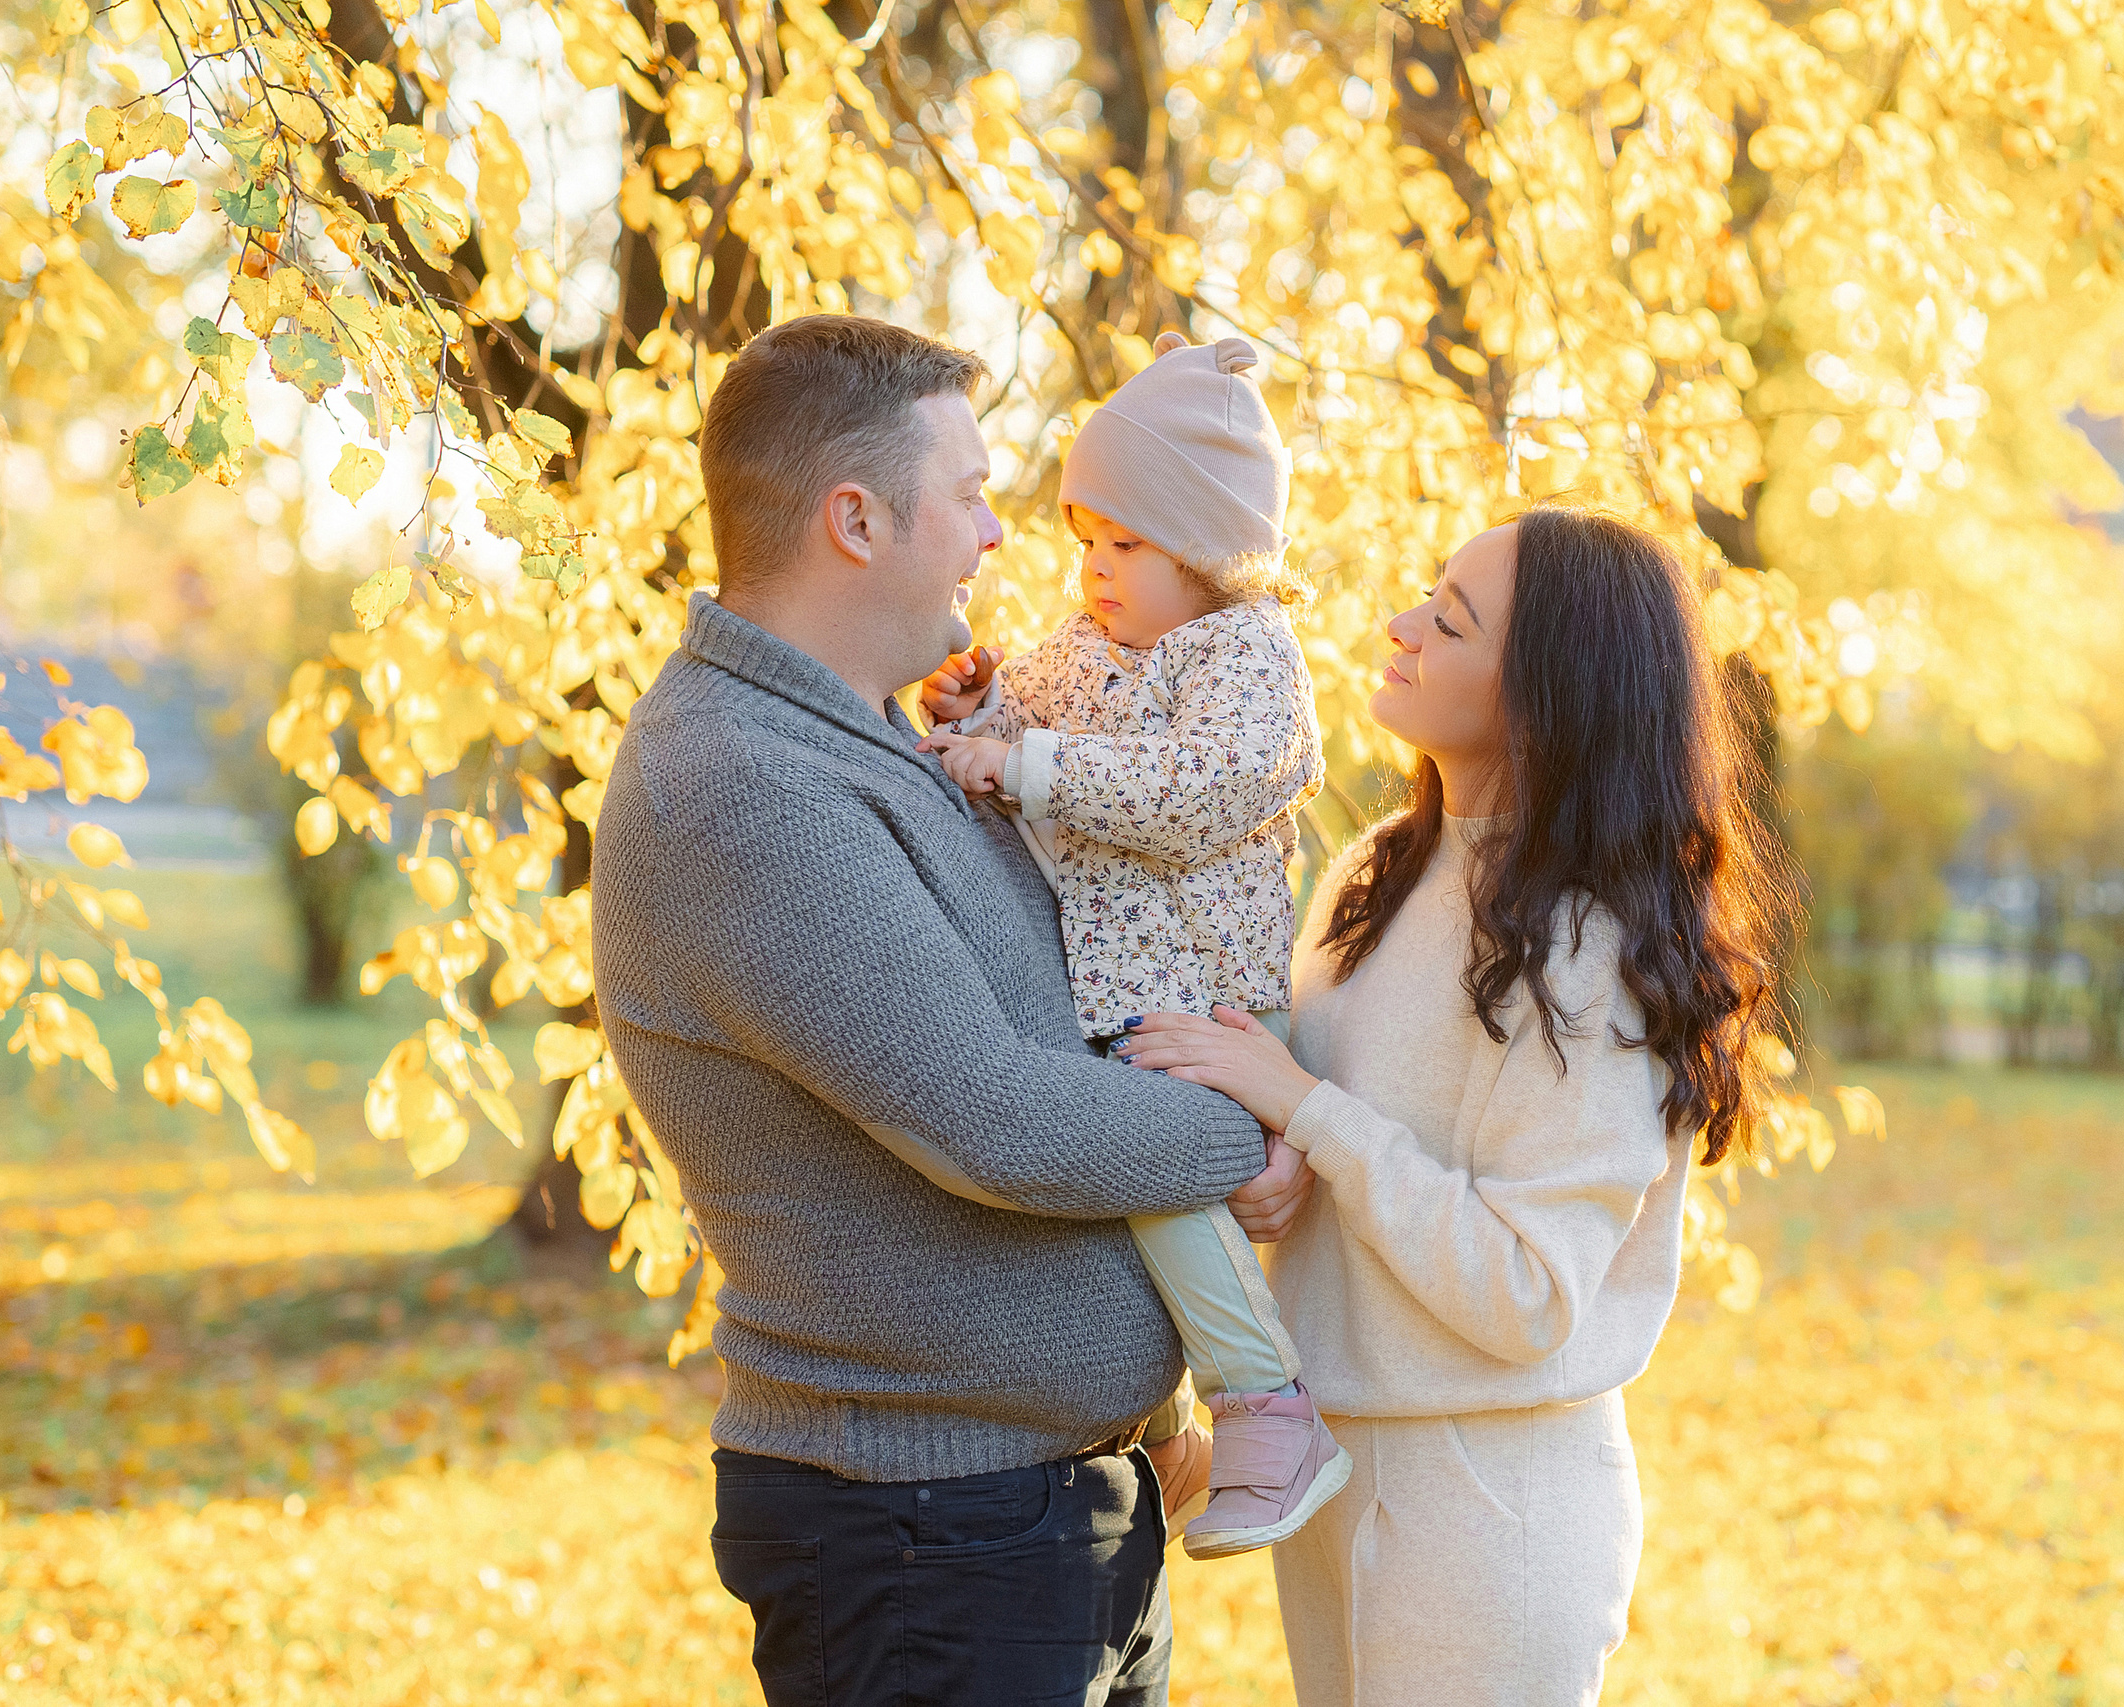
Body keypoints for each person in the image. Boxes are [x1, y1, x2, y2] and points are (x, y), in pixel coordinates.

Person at [588, 314, 1276, 1707]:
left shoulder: (882, 740)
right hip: (929, 1539)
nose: (998, 534)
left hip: (1050, 1513)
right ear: (856, 517)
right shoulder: (738, 784)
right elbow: (999, 1118)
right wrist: (1262, 1124)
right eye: (967, 493)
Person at [1119, 507, 1794, 1707]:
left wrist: (1312, 1115)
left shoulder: (1588, 952)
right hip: (1335, 1469)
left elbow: (1529, 1294)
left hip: (1489, 1506)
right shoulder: (1377, 873)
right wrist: (1277, 1155)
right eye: (1425, 597)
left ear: (1546, 695)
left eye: (1449, 620)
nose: (1400, 627)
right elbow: (1325, 1133)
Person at [912, 331, 1350, 1559]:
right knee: (1111, 1201)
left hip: (1207, 998)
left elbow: (1198, 788)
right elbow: (1017, 734)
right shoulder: (1086, 646)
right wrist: (977, 711)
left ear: (1207, 547)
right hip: (1117, 998)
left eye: (1126, 544)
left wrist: (1025, 763)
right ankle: (1169, 1428)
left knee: (1157, 1193)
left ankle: (1267, 1402)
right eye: (1084, 542)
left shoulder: (1247, 657)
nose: (1096, 571)